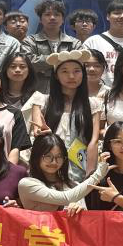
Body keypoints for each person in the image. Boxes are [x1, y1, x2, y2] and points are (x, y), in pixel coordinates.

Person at [25, 51, 99, 182]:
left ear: (83, 73)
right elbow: (37, 132)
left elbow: (93, 141)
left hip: (80, 167)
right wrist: (44, 133)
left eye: (77, 71)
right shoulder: (42, 101)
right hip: (49, 164)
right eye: (64, 71)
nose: (71, 76)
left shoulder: (92, 104)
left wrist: (90, 175)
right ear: (56, 75)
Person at [82, 0, 123, 86]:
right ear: (107, 16)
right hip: (99, 91)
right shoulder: (92, 42)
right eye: (117, 13)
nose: (122, 16)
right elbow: (81, 69)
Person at [22, 0, 79, 85]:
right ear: (40, 19)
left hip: (67, 88)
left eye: (56, 14)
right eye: (47, 14)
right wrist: (61, 58)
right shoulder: (30, 41)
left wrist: (44, 64)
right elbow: (28, 63)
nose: (52, 18)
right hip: (38, 88)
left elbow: (78, 65)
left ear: (63, 19)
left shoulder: (74, 42)